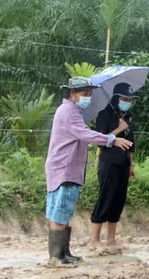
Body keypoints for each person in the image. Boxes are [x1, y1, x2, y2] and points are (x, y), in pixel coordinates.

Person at [45, 77, 132, 265]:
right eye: (85, 94)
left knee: (64, 211)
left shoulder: (72, 111)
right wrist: (112, 139)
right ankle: (57, 256)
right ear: (73, 94)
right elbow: (86, 134)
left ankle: (64, 253)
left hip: (66, 167)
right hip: (65, 167)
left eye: (90, 94)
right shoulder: (69, 113)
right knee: (60, 211)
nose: (88, 98)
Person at [90, 82, 138, 247]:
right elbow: (100, 140)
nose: (127, 101)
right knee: (106, 196)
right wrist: (118, 129)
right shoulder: (104, 115)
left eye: (130, 99)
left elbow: (131, 144)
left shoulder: (127, 116)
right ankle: (94, 239)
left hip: (123, 163)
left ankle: (111, 239)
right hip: (109, 162)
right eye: (124, 98)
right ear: (116, 98)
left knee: (118, 198)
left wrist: (131, 165)